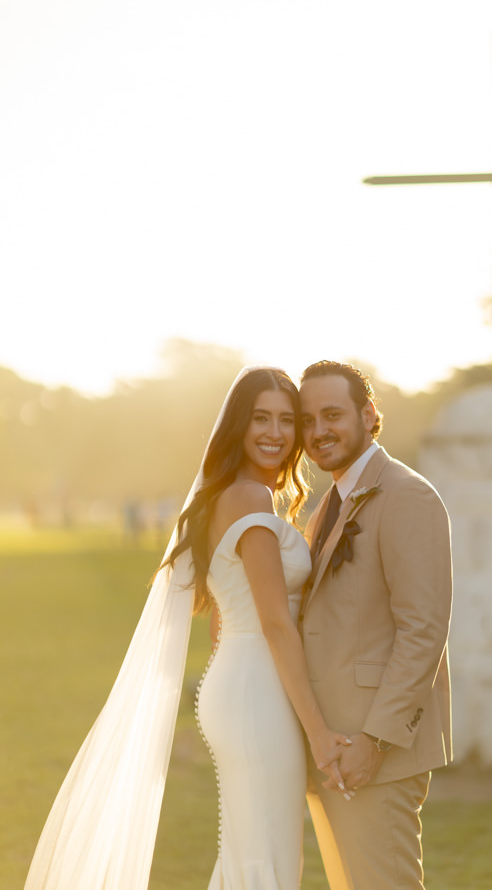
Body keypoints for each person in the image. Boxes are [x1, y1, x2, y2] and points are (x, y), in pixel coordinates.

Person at [25, 366, 351, 890]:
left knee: (254, 850)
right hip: (258, 694)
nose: (274, 432)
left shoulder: (233, 495)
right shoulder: (249, 499)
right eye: (260, 418)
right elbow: (274, 624)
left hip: (242, 686)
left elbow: (222, 614)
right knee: (264, 855)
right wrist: (319, 732)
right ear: (239, 425)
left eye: (286, 420)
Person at [298, 361, 453, 890]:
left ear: (369, 415)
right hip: (331, 752)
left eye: (333, 414)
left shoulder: (408, 495)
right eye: (308, 419)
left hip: (374, 754)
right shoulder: (327, 507)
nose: (318, 431)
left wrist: (375, 740)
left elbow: (423, 630)